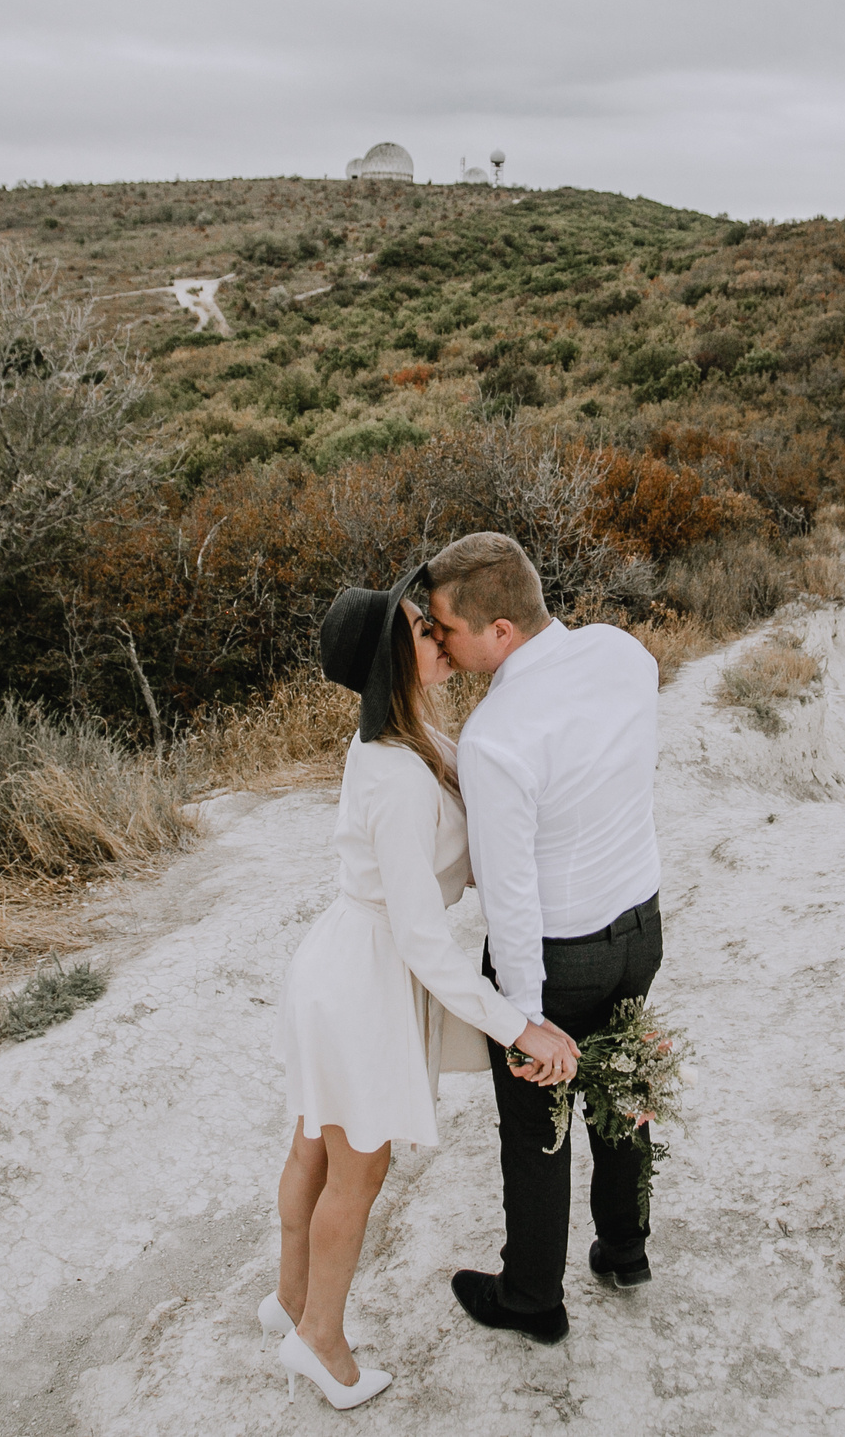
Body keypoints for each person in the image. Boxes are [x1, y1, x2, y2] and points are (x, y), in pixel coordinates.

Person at [269, 566, 581, 1409]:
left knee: (315, 1142)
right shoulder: (400, 773)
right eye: (421, 628)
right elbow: (425, 944)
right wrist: (518, 1025)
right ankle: (321, 1339)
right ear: (392, 662)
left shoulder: (406, 735)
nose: (439, 632)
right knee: (355, 1168)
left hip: (341, 962)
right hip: (363, 977)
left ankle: (290, 1300)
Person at [423, 532, 665, 1346]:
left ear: (500, 631)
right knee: (621, 1088)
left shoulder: (497, 737)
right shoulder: (624, 652)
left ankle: (532, 1297)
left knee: (537, 1130)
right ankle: (625, 1248)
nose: (437, 639)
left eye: (447, 626)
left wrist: (524, 1016)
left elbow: (512, 899)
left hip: (558, 953)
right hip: (641, 924)